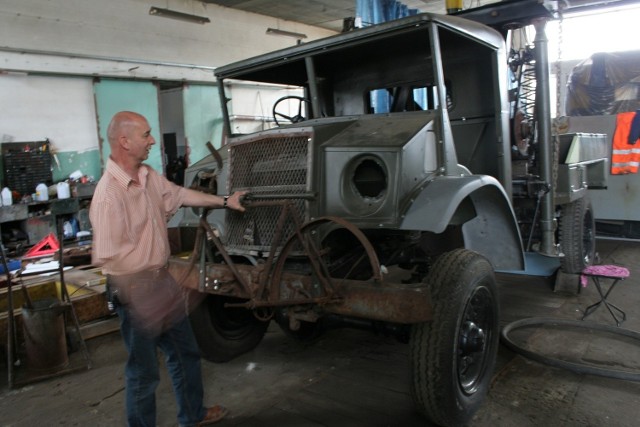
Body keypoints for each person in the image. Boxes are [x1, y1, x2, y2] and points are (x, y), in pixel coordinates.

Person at [90, 111, 245, 427]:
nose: (151, 140)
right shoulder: (108, 195)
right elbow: (108, 256)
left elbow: (179, 195)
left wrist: (225, 201)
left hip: (160, 282)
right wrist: (142, 296)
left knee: (185, 354)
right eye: (146, 135)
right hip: (133, 290)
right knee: (144, 372)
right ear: (125, 141)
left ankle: (192, 414)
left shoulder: (147, 177)